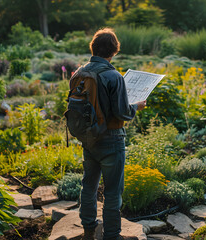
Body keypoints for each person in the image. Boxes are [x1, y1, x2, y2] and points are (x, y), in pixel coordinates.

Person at [79, 28, 146, 240]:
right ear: (114, 50)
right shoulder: (113, 76)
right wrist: (136, 106)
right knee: (112, 192)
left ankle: (89, 228)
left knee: (88, 186)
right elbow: (121, 112)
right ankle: (112, 236)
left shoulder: (80, 73)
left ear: (93, 47)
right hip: (111, 139)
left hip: (88, 139)